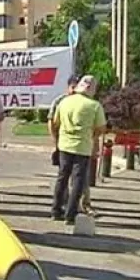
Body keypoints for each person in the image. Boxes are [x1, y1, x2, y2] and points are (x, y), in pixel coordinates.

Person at [50, 75, 107, 225]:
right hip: (82, 147)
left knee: (62, 178)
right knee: (78, 182)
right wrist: (92, 135)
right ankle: (70, 214)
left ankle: (56, 210)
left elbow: (55, 122)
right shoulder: (94, 106)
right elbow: (101, 128)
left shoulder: (64, 102)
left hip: (64, 145)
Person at [47, 76, 94, 215]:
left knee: (80, 179)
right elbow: (52, 123)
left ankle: (82, 205)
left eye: (76, 87)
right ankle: (62, 206)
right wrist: (55, 142)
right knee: (63, 177)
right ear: (68, 87)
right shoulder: (60, 101)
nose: (74, 90)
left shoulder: (87, 102)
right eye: (72, 87)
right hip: (63, 145)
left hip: (81, 146)